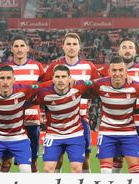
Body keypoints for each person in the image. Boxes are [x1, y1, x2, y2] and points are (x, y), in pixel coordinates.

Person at [43, 32, 100, 173]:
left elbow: (97, 86)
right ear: (63, 47)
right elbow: (44, 87)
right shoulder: (54, 66)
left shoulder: (89, 66)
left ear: (79, 47)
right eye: (68, 44)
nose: (71, 47)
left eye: (74, 44)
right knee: (57, 159)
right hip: (58, 119)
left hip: (81, 118)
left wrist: (79, 83)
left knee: (84, 159)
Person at [99, 38, 139, 173]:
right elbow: (94, 83)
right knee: (115, 161)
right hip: (111, 124)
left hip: (136, 123)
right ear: (119, 51)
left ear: (135, 51)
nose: (127, 50)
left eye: (130, 47)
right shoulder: (106, 70)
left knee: (136, 164)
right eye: (124, 47)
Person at [0, 35, 44, 173]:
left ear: (28, 48)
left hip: (32, 121)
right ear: (11, 49)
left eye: (22, 46)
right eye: (16, 46)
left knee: (32, 162)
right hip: (10, 122)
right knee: (5, 163)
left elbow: (43, 89)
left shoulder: (37, 67)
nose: (19, 49)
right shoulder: (4, 68)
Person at [36, 64, 92, 173]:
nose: (60, 80)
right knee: (47, 170)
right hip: (54, 134)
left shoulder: (79, 87)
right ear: (52, 79)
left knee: (76, 169)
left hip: (75, 133)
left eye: (63, 77)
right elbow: (27, 98)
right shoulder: (44, 93)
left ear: (70, 78)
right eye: (57, 77)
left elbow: (98, 84)